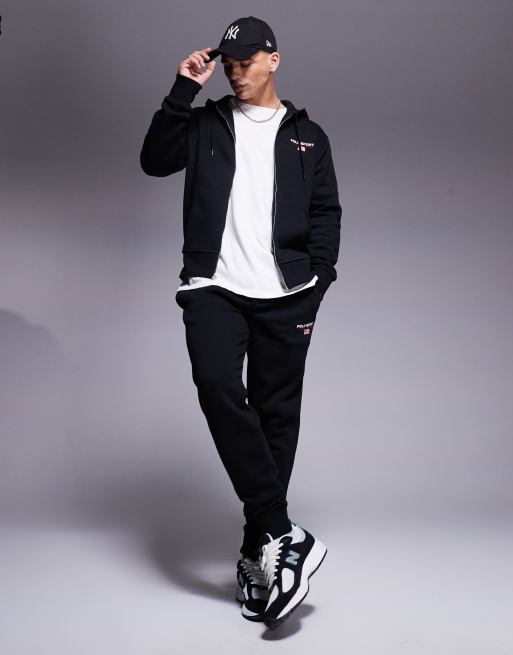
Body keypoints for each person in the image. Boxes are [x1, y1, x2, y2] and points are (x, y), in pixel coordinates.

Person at [140, 15, 341, 630]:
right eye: (228, 63)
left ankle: (262, 553)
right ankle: (282, 529)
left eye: (246, 61)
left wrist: (319, 280)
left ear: (273, 59)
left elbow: (326, 211)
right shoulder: (205, 124)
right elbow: (153, 161)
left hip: (287, 292)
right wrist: (183, 89)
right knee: (219, 387)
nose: (235, 71)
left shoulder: (308, 136)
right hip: (214, 287)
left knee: (277, 414)